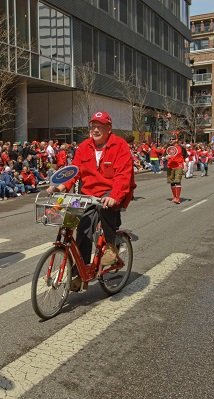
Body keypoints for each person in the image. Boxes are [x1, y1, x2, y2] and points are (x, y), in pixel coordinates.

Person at [47, 111, 134, 291]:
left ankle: (111, 245)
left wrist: (114, 196)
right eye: (93, 126)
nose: (95, 129)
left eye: (100, 126)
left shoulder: (120, 145)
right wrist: (62, 187)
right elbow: (74, 171)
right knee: (82, 227)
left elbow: (123, 176)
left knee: (105, 208)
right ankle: (80, 273)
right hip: (88, 193)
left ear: (109, 128)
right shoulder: (85, 146)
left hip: (112, 191)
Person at [164, 134, 186, 204]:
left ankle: (178, 198)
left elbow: (186, 156)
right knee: (172, 182)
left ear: (176, 140)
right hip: (170, 166)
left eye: (172, 139)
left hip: (178, 165)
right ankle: (175, 197)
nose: (171, 140)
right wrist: (165, 158)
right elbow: (163, 157)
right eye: (170, 139)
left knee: (177, 181)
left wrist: (186, 165)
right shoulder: (168, 148)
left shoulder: (181, 147)